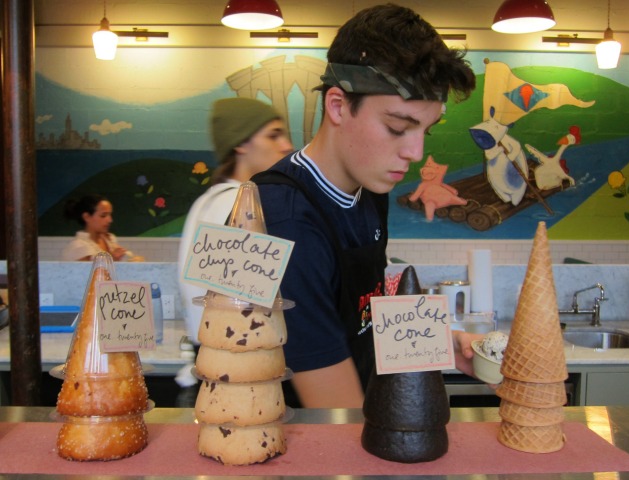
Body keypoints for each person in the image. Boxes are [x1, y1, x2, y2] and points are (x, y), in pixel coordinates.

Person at [253, 4, 478, 408]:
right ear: (337, 106)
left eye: (426, 129)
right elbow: (334, 408)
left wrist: (446, 342)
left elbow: (364, 319)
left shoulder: (369, 189)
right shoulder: (283, 219)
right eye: (397, 127)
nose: (415, 152)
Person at [177, 97, 293, 348]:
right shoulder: (242, 208)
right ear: (241, 143)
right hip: (238, 369)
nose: (287, 146)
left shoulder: (208, 201)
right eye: (274, 136)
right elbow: (247, 315)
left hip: (212, 357)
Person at [61, 194, 143, 262]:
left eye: (110, 215)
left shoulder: (109, 239)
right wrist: (113, 260)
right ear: (87, 217)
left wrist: (133, 261)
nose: (110, 220)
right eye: (103, 215)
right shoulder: (78, 247)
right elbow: (89, 278)